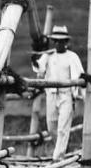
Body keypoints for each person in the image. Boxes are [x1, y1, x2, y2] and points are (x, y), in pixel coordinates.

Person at [31, 25, 84, 160]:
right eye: (56, 41)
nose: (58, 43)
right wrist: (35, 56)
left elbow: (79, 75)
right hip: (51, 95)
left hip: (66, 95)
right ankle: (61, 150)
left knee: (62, 128)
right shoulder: (48, 56)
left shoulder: (72, 56)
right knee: (52, 127)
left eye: (61, 41)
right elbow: (39, 68)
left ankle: (57, 158)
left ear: (66, 42)